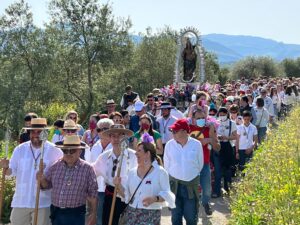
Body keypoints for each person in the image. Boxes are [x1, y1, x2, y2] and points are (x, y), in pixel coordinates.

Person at [0, 118, 63, 225]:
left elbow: (59, 178)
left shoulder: (55, 151)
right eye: (32, 131)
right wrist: (5, 168)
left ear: (45, 132)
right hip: (21, 201)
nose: (35, 134)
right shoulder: (20, 149)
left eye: (39, 132)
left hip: (43, 202)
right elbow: (11, 173)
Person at [114, 134, 175, 225]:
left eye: (139, 150)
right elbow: (127, 196)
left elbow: (168, 194)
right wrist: (118, 185)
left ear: (148, 154)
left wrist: (155, 199)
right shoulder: (132, 172)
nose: (135, 153)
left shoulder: (160, 172)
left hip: (151, 215)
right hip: (132, 214)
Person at [37, 135, 98, 225]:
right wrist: (42, 179)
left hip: (76, 214)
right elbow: (45, 186)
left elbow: (93, 194)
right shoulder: (55, 166)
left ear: (79, 151)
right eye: (65, 151)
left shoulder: (87, 169)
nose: (68, 154)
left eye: (72, 150)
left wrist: (93, 214)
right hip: (56, 212)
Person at [92, 124, 137, 225]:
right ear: (110, 138)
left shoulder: (134, 156)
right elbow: (92, 173)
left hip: (129, 197)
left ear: (125, 137)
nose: (116, 139)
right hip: (110, 197)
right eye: (113, 136)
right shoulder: (103, 157)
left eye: (120, 135)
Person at [164, 119, 204, 225]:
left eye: (175, 131)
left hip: (190, 186)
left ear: (184, 131)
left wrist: (188, 175)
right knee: (176, 218)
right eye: (172, 131)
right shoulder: (169, 145)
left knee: (191, 217)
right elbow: (166, 166)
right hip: (174, 186)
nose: (172, 133)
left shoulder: (196, 144)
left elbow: (200, 165)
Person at [189, 109, 220, 215]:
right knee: (191, 188)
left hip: (205, 163)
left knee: (207, 188)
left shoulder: (209, 128)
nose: (201, 120)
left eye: (203, 118)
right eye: (198, 118)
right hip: (190, 164)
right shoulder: (188, 128)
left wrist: (211, 138)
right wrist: (199, 142)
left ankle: (205, 202)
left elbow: (217, 148)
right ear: (193, 119)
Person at [90, 118, 114, 225]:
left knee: (109, 217)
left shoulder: (116, 146)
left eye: (104, 129)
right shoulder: (95, 146)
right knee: (97, 216)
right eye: (99, 130)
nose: (101, 132)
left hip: (111, 188)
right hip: (96, 188)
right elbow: (90, 166)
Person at [215, 107, 237, 194]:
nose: (222, 116)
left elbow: (235, 136)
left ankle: (227, 186)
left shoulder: (232, 123)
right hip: (218, 146)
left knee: (227, 168)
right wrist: (218, 137)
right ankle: (218, 188)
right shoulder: (216, 122)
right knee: (218, 168)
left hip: (227, 146)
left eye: (224, 115)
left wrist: (227, 137)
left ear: (227, 114)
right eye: (220, 115)